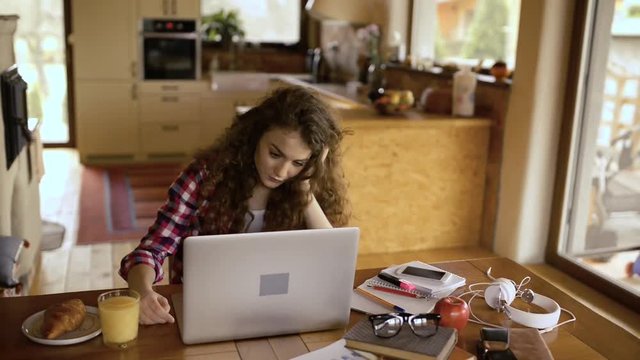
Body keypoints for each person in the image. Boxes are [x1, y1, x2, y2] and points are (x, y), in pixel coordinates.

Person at [119, 85, 351, 325]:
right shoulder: (204, 178)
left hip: (281, 311)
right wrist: (142, 291)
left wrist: (305, 190)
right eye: (275, 154)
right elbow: (152, 250)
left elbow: (330, 263)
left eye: (298, 162)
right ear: (255, 137)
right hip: (208, 311)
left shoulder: (303, 182)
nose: (282, 172)